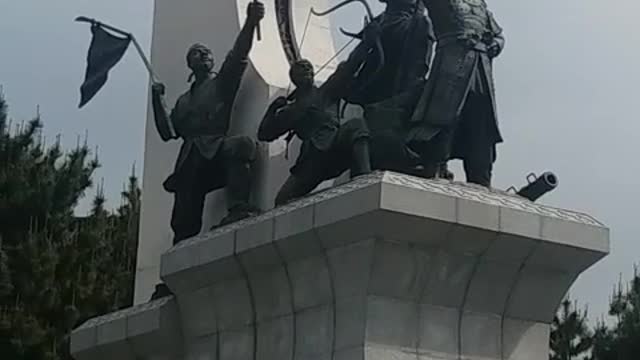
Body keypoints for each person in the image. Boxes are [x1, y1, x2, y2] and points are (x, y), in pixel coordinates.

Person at [150, 1, 265, 244]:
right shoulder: (183, 101)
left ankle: (238, 207)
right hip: (190, 159)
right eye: (196, 52)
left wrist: (250, 22)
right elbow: (168, 132)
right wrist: (157, 100)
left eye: (206, 52)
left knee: (242, 145)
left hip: (215, 148)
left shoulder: (221, 83)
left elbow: (238, 54)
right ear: (189, 64)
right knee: (184, 212)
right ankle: (180, 245)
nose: (202, 54)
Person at [408, 0, 505, 187]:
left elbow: (499, 34)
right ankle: (435, 166)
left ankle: (480, 176)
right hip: (451, 64)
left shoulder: (481, 5)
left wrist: (496, 44)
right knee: (444, 117)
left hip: (481, 68)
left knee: (482, 124)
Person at [258, 59, 372, 206]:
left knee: (356, 125)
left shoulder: (327, 91)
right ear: (293, 77)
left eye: (308, 67)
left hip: (335, 144)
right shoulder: (290, 111)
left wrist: (367, 43)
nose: (306, 69)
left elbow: (349, 67)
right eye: (301, 68)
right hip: (312, 159)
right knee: (282, 200)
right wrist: (272, 110)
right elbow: (264, 134)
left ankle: (363, 177)